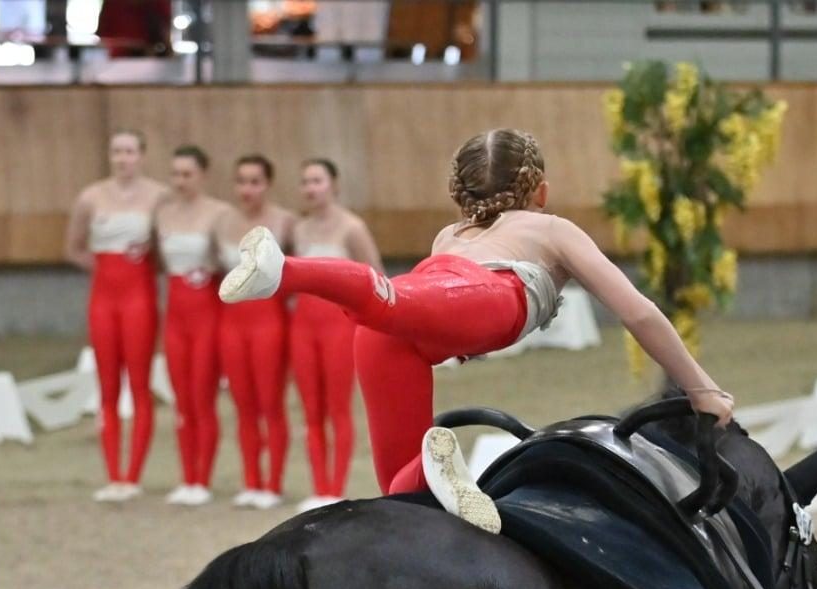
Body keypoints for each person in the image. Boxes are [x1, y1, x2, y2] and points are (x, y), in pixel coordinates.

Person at [221, 128, 734, 533]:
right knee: (394, 298)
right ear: (540, 190)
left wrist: (457, 341)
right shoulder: (552, 228)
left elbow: (433, 316)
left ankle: (436, 470)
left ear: (460, 194)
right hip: (474, 299)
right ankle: (285, 271)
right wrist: (700, 387)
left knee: (399, 488)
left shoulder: (449, 234)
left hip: (405, 327)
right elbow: (638, 311)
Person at [65, 129, 167, 503]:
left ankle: (134, 474)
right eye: (117, 151)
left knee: (140, 384)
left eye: (130, 151)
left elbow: (169, 244)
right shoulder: (91, 197)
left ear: (142, 155)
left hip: (139, 297)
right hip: (104, 297)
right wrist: (107, 267)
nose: (123, 158)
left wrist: (143, 262)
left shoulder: (158, 197)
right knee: (107, 386)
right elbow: (74, 248)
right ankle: (113, 475)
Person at [287, 158, 382, 512]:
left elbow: (377, 279)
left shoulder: (352, 228)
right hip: (304, 325)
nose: (311, 188)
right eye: (305, 182)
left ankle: (335, 487)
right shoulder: (298, 229)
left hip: (339, 327)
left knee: (337, 407)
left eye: (317, 181)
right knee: (310, 408)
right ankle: (318, 486)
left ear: (334, 185)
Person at [217, 155, 296, 510]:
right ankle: (251, 480)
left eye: (255, 181)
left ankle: (273, 483)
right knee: (243, 405)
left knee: (270, 403)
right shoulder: (221, 223)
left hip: (269, 322)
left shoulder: (285, 223)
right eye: (241, 181)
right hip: (231, 323)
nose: (247, 189)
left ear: (267, 184)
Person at [156, 145, 230, 506]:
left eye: (187, 174)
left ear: (202, 175)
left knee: (203, 398)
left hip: (207, 315)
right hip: (176, 316)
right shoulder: (164, 213)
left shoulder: (219, 214)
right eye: (175, 174)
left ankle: (203, 478)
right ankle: (186, 477)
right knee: (181, 400)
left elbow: (231, 261)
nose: (180, 181)